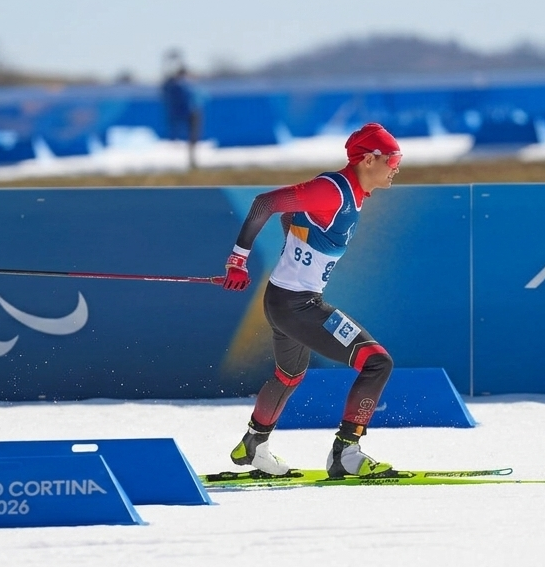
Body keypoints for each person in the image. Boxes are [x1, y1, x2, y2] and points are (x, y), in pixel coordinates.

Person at [221, 123, 403, 479]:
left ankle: (253, 446)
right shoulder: (332, 191)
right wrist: (237, 259)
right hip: (297, 306)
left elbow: (292, 215)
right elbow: (266, 203)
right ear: (370, 159)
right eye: (393, 160)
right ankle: (346, 455)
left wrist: (295, 247)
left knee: (289, 376)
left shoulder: (349, 194)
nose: (397, 167)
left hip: (286, 301)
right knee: (377, 363)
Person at [160, 63, 202, 170]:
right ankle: (189, 160)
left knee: (191, 138)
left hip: (186, 112)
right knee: (187, 138)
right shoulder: (183, 85)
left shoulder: (186, 85)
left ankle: (192, 160)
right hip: (187, 112)